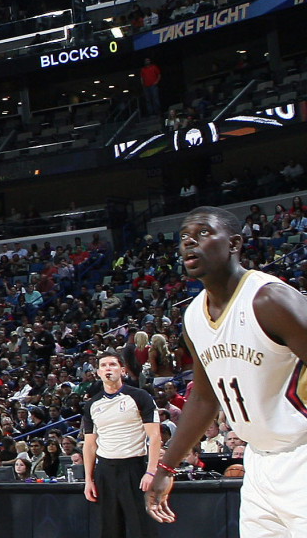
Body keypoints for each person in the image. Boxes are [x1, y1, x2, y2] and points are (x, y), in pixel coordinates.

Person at [147, 207, 307, 537]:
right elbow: (205, 398)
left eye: (204, 233)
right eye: (184, 237)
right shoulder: (192, 317)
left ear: (234, 243)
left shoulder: (270, 299)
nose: (190, 241)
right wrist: (166, 465)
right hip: (259, 463)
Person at [81, 351, 161, 538]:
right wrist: (88, 479)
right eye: (103, 366)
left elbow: (155, 437)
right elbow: (90, 445)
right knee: (107, 529)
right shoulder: (91, 404)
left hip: (134, 468)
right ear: (98, 373)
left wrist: (151, 471)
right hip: (105, 471)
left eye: (112, 364)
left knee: (142, 528)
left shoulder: (140, 397)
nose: (108, 369)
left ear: (122, 370)